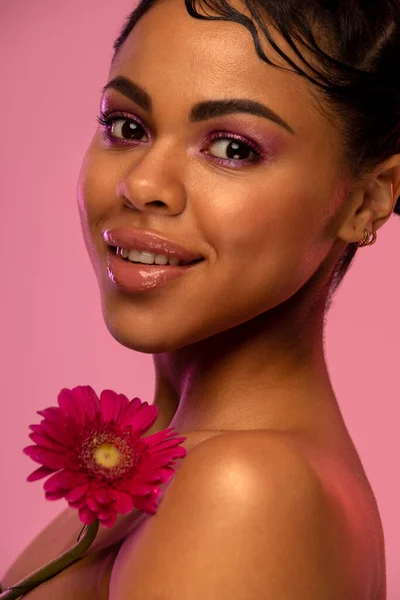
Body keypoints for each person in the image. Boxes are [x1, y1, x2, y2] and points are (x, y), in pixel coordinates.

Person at [2, 0, 400, 597]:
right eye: (127, 126)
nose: (141, 184)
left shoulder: (240, 489)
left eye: (233, 148)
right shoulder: (185, 467)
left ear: (366, 200)